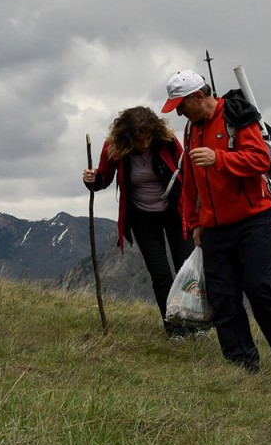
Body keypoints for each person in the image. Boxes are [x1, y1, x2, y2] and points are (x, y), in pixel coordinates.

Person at [162, 69, 271, 377]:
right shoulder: (191, 129)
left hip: (254, 218)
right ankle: (241, 363)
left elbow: (259, 160)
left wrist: (219, 159)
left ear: (199, 97)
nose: (180, 112)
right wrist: (196, 223)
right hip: (214, 227)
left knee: (259, 285)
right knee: (223, 295)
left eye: (181, 105)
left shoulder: (238, 117)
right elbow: (189, 182)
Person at [83, 106, 195, 340]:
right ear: (127, 138)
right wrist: (92, 179)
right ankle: (175, 330)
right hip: (143, 218)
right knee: (160, 274)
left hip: (176, 213)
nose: (144, 145)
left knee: (186, 271)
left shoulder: (166, 141)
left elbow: (187, 171)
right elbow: (104, 178)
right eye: (138, 141)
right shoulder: (113, 146)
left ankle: (196, 324)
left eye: (147, 139)